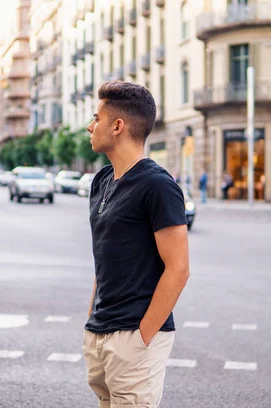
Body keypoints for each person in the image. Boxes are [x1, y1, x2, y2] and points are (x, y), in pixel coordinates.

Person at [84, 81, 190, 408]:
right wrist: (91, 322)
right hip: (100, 332)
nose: (90, 126)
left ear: (118, 126)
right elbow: (106, 258)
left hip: (134, 336)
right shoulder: (101, 180)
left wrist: (142, 338)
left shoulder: (158, 186)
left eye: (96, 118)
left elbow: (179, 269)